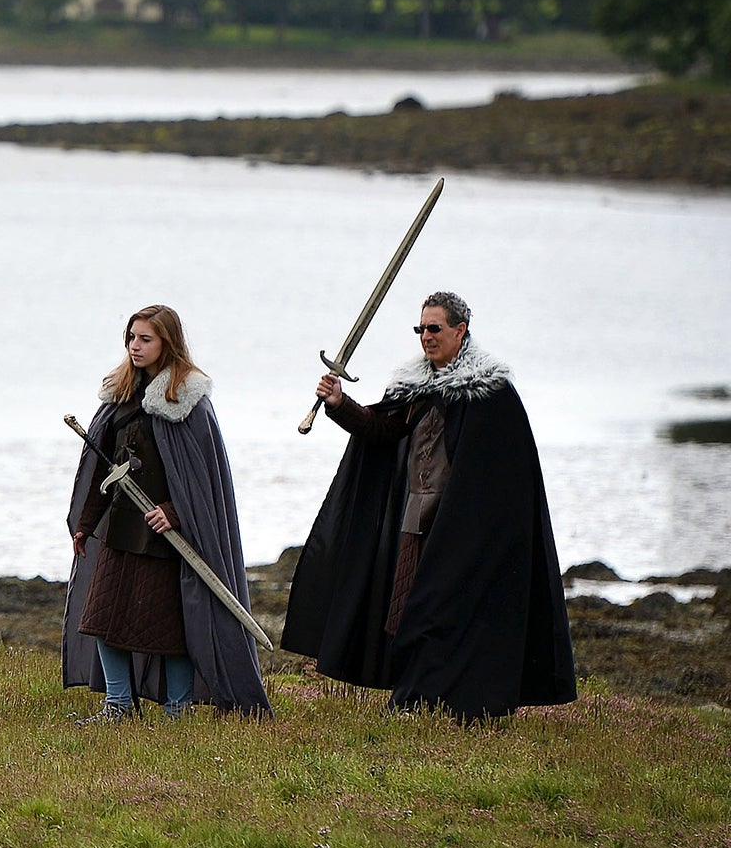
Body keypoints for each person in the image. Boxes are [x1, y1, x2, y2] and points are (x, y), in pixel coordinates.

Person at [283, 291, 574, 721]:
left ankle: (447, 703)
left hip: (468, 533)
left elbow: (507, 480)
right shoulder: (415, 386)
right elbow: (381, 430)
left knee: (445, 614)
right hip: (416, 520)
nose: (426, 336)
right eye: (420, 328)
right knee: (404, 611)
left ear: (460, 331)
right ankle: (418, 699)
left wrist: (478, 526)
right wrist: (339, 404)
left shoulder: (491, 395)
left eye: (434, 328)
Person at [62, 305, 269, 720]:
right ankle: (118, 705)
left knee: (171, 629)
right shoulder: (119, 394)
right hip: (122, 527)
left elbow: (202, 478)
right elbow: (103, 465)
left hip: (167, 537)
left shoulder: (187, 400)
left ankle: (178, 709)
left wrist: (174, 512)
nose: (135, 347)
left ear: (167, 343)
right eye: (132, 338)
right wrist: (85, 525)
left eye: (145, 339)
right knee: (103, 617)